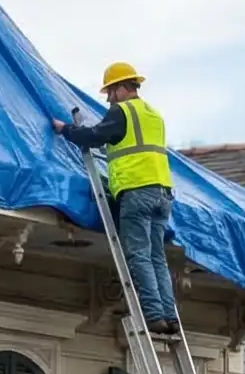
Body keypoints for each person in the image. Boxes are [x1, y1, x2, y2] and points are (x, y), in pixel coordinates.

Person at [55, 61, 182, 337]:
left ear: (123, 88)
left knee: (138, 255)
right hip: (163, 193)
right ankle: (170, 316)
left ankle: (154, 315)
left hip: (137, 192)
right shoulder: (154, 115)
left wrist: (65, 129)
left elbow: (95, 137)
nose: (109, 99)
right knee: (157, 257)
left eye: (111, 92)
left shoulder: (122, 111)